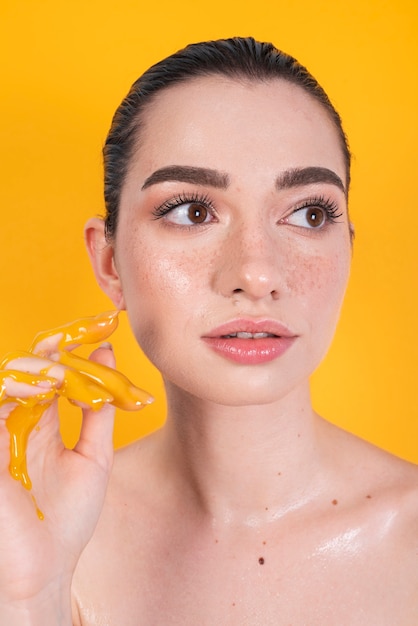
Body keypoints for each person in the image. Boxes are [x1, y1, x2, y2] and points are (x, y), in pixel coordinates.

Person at [1, 37, 417, 625]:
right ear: (109, 262)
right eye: (194, 211)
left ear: (348, 249)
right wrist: (27, 601)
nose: (257, 273)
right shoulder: (44, 528)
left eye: (310, 214)